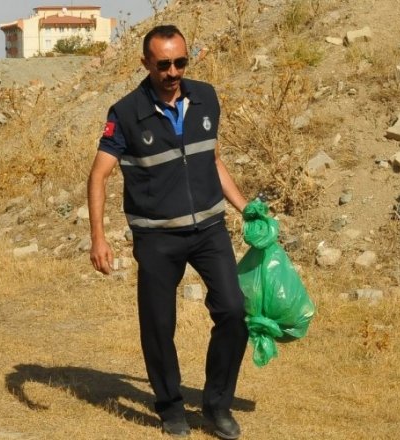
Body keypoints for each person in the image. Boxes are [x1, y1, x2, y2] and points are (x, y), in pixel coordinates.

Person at [87, 25, 249, 439]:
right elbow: (99, 176)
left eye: (180, 62)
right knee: (159, 325)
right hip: (157, 238)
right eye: (163, 64)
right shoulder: (124, 113)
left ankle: (216, 407)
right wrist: (99, 238)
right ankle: (170, 407)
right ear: (145, 63)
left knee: (233, 312)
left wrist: (247, 209)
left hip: (210, 228)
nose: (173, 71)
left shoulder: (207, 97)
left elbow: (211, 160)